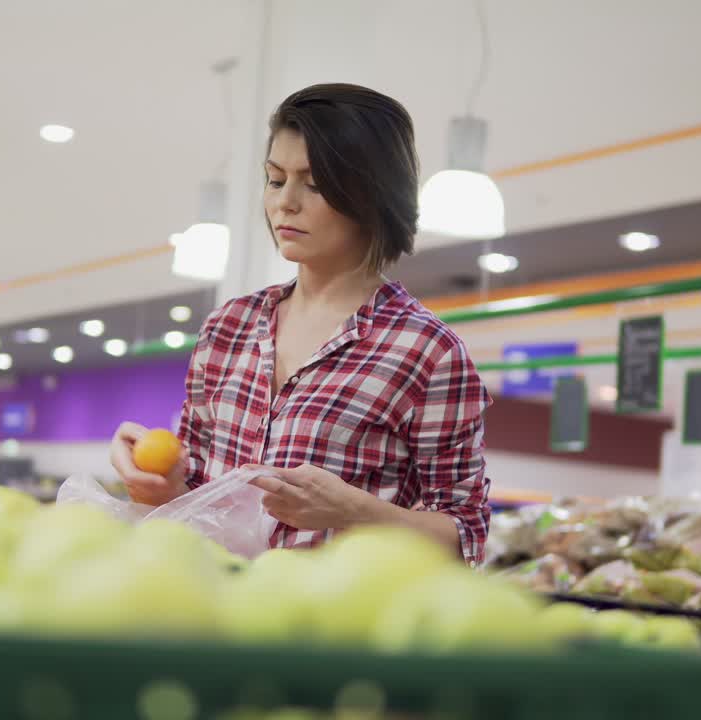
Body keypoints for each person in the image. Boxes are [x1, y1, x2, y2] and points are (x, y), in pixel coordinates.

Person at [111, 83, 491, 564]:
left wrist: (356, 511)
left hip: (329, 626)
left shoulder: (427, 351)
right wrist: (155, 481)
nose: (285, 203)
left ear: (372, 193)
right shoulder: (229, 327)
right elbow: (192, 502)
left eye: (313, 184)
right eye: (275, 180)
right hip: (204, 614)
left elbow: (466, 539)